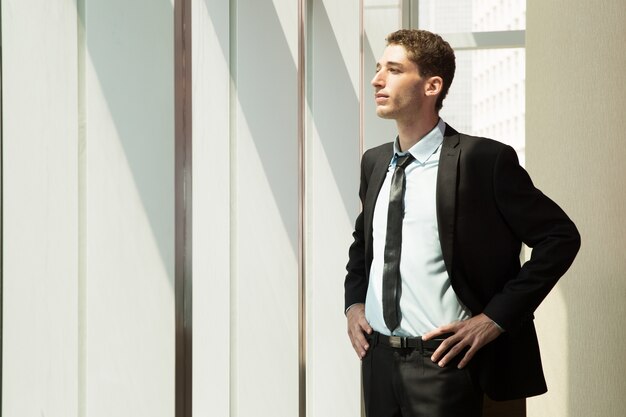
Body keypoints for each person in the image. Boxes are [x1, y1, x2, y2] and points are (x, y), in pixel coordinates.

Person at [344, 29, 580, 417]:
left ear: (432, 85)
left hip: (446, 365)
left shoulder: (483, 161)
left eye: (394, 69)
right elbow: (363, 244)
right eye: (377, 68)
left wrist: (495, 319)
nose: (376, 79)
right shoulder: (374, 162)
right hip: (378, 362)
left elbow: (560, 237)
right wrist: (354, 304)